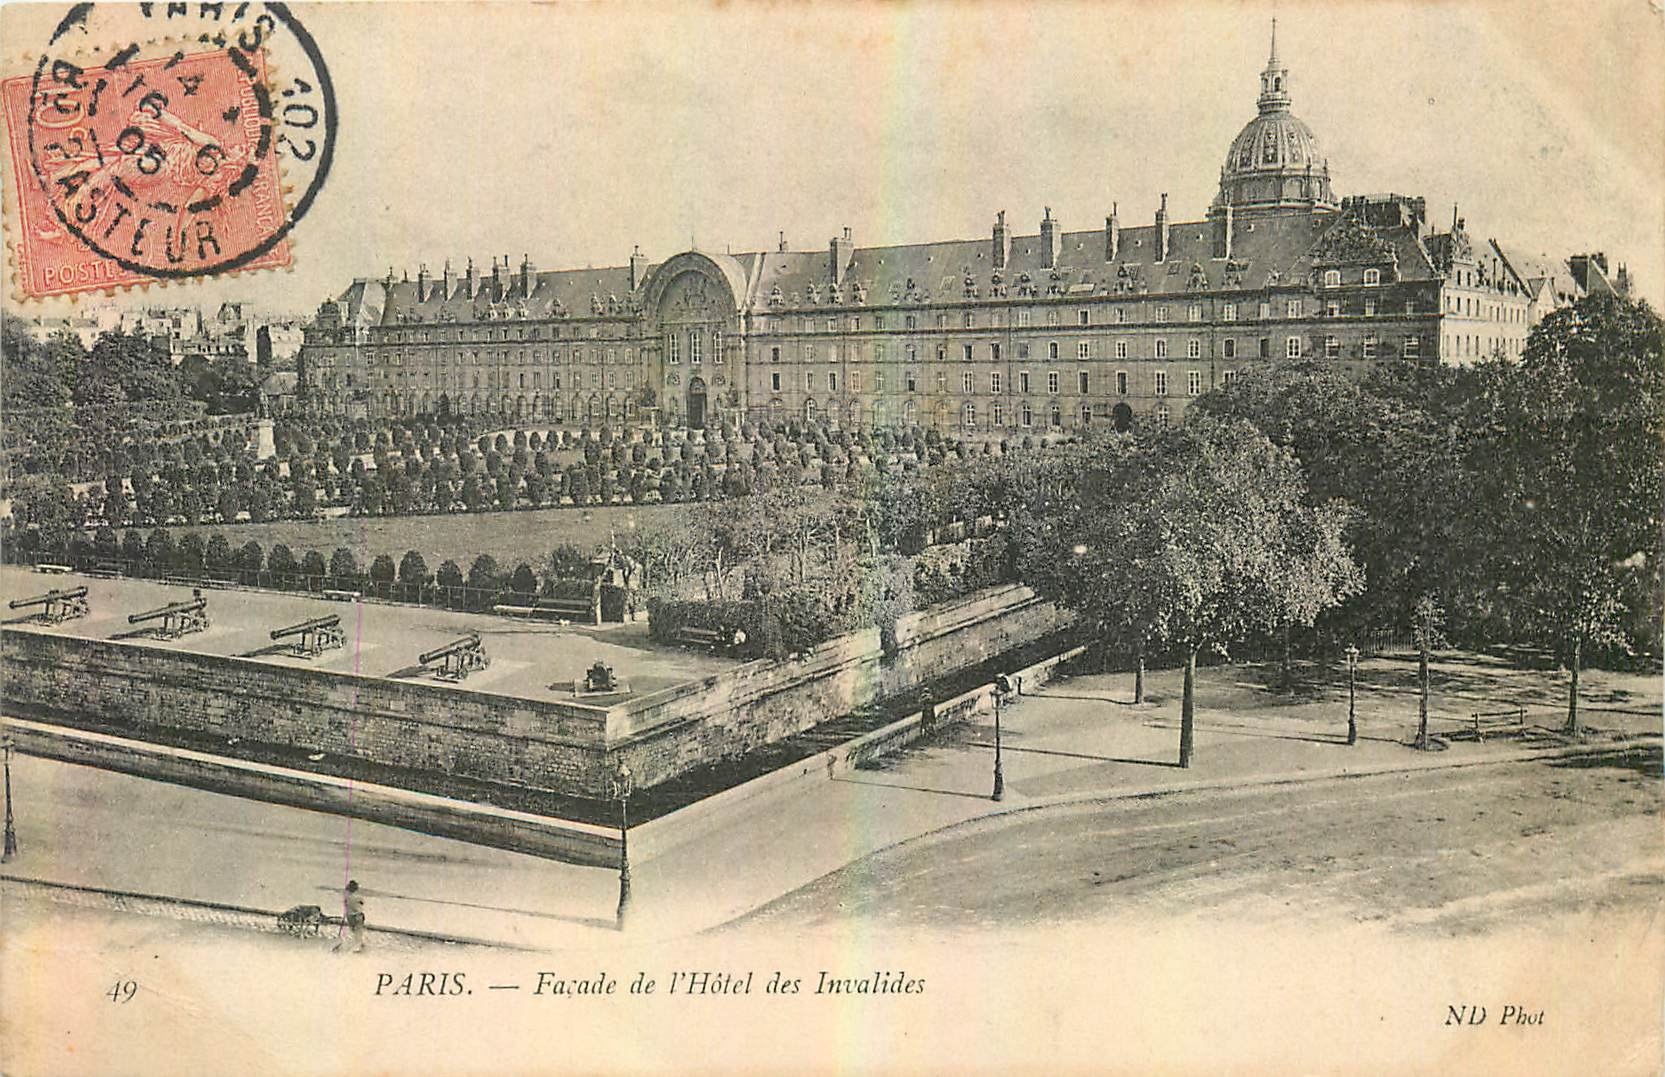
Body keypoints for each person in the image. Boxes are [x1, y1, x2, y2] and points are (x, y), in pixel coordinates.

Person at [333, 880, 366, 953]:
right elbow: (362, 903)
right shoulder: (358, 897)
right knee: (359, 931)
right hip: (358, 915)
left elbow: (346, 905)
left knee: (353, 930)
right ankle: (358, 946)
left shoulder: (347, 897)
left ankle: (356, 945)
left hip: (350, 916)